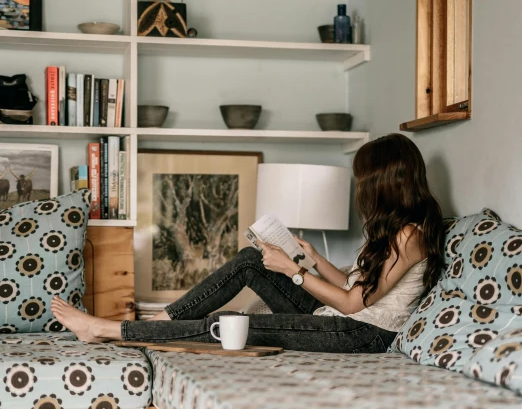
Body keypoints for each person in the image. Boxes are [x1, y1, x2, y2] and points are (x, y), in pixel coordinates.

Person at [51, 134, 445, 353]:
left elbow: (354, 304)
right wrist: (312, 259)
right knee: (249, 260)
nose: (361, 188)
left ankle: (110, 330)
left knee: (231, 326)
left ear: (382, 181)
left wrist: (293, 272)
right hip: (345, 319)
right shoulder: (397, 228)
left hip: (363, 335)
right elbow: (351, 289)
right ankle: (159, 324)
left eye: (364, 180)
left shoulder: (411, 234)